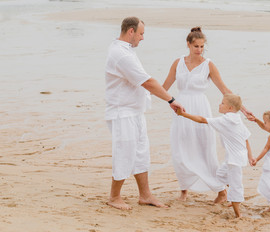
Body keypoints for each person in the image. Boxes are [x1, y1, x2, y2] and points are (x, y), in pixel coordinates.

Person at [162, 27, 253, 202]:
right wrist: (141, 93)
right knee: (180, 149)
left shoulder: (208, 64)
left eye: (202, 46)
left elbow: (225, 90)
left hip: (200, 107)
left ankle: (220, 190)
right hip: (180, 107)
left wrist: (243, 108)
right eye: (196, 46)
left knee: (204, 151)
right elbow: (163, 87)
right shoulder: (177, 62)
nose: (199, 49)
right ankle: (184, 189)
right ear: (188, 44)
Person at [105, 16, 184, 210]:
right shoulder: (121, 54)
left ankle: (145, 195)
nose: (142, 38)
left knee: (141, 153)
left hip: (135, 111)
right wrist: (171, 100)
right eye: (141, 34)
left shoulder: (126, 51)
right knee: (125, 153)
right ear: (130, 31)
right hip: (122, 112)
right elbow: (147, 82)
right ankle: (114, 197)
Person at [176, 94, 253, 218]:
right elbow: (246, 138)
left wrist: (183, 114)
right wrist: (250, 156)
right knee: (220, 175)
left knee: (236, 185)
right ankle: (233, 197)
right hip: (233, 157)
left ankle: (238, 214)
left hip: (235, 160)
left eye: (222, 103)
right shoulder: (237, 118)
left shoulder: (226, 120)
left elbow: (202, 120)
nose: (219, 104)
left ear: (230, 108)